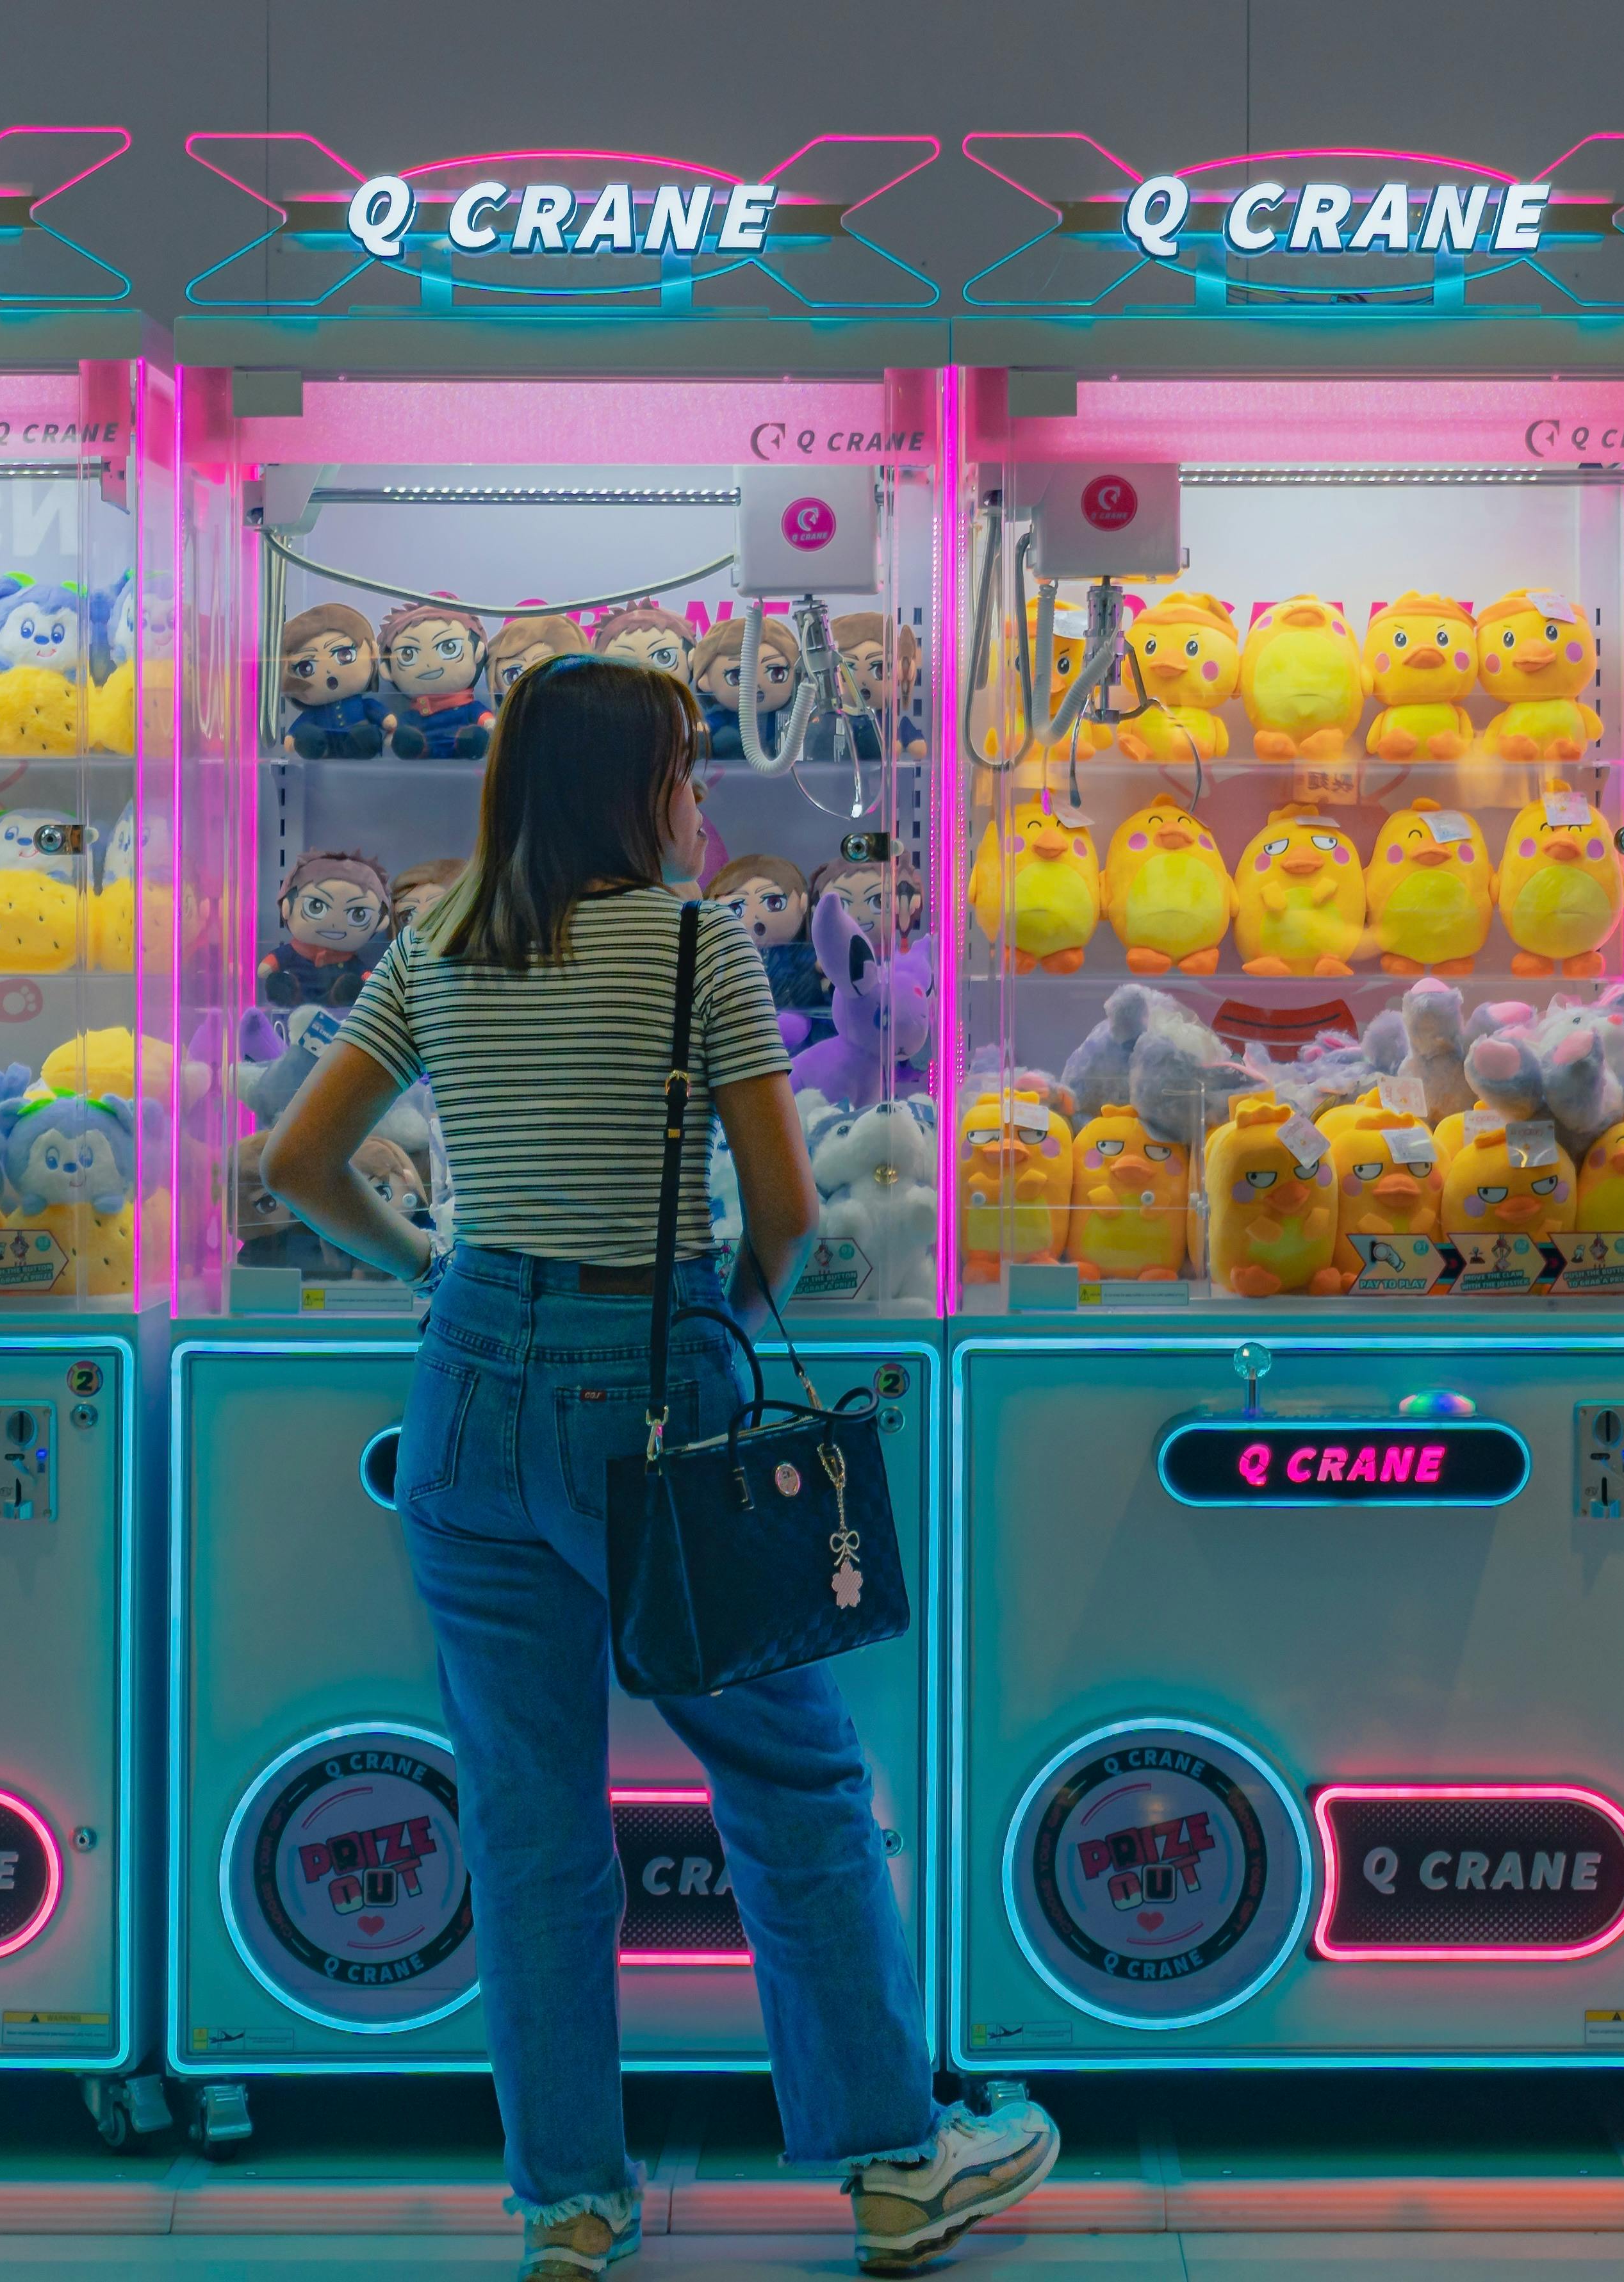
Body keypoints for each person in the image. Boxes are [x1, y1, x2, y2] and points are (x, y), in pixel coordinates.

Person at [265, 654, 1059, 2280]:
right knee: (792, 1779)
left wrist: (431, 1268)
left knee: (528, 1812)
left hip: (467, 1398)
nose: (702, 800)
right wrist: (720, 1327)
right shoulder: (702, 946)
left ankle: (570, 2200)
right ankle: (895, 2163)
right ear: (645, 791)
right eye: (687, 769)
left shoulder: (438, 941)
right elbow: (784, 1212)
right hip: (653, 1377)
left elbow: (299, 1158)